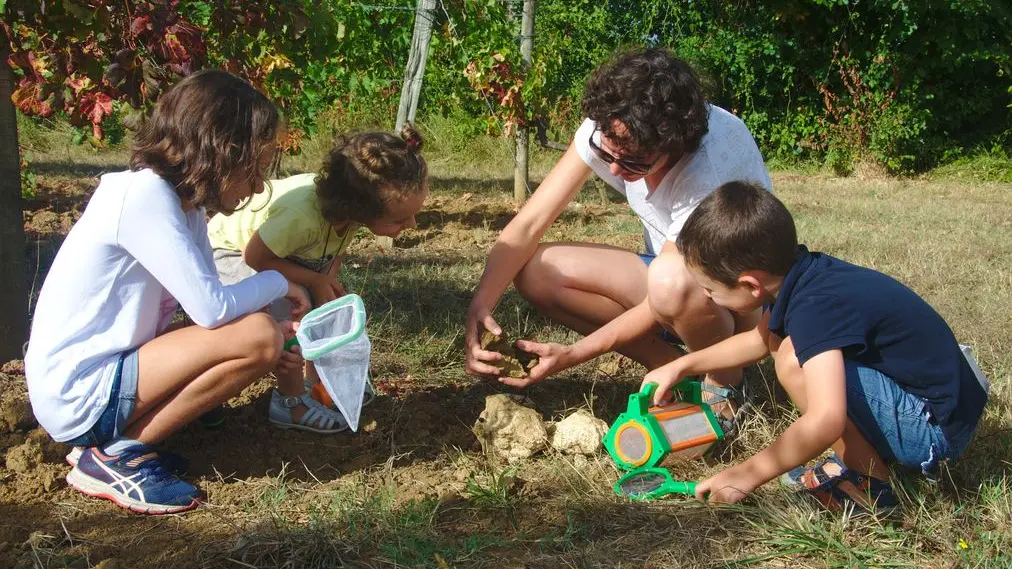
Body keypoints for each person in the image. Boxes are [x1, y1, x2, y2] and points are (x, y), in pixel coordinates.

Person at [24, 70, 311, 515]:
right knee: (258, 336)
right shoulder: (144, 198)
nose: (257, 186)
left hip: (104, 376)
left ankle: (119, 446)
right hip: (79, 392)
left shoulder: (183, 206)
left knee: (258, 332)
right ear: (220, 151)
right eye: (253, 167)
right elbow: (213, 310)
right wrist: (281, 283)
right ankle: (114, 457)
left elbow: (207, 308)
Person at [641, 181, 988, 512]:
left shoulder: (813, 308)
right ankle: (866, 461)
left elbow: (826, 420)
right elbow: (757, 341)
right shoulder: (801, 276)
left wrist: (744, 476)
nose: (706, 296)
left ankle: (870, 484)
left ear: (750, 284)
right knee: (785, 348)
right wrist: (682, 366)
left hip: (932, 432)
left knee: (792, 358)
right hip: (941, 408)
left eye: (710, 289)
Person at [464, 47, 772, 417]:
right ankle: (670, 366)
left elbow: (673, 287)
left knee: (671, 280)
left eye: (631, 163)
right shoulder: (614, 121)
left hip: (738, 303)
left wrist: (574, 354)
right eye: (606, 155)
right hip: (672, 279)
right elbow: (530, 223)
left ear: (672, 146)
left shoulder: (707, 170)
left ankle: (725, 382)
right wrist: (481, 303)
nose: (613, 171)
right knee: (536, 271)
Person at [206, 126, 428, 433]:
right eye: (400, 219)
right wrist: (309, 282)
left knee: (323, 308)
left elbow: (331, 256)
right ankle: (291, 402)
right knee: (285, 316)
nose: (412, 225)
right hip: (229, 250)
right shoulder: (302, 217)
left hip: (279, 256)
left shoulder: (348, 214)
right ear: (358, 208)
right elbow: (255, 257)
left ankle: (318, 383)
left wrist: (324, 285)